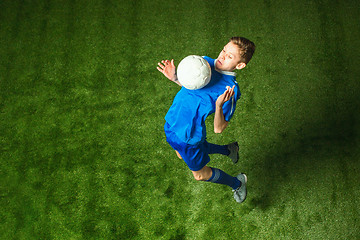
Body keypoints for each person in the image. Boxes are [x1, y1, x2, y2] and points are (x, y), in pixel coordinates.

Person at [157, 37, 255, 203]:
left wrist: (218, 106)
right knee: (180, 155)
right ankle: (229, 150)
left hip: (189, 136)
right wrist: (175, 78)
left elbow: (219, 128)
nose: (222, 56)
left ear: (240, 65)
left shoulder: (230, 89)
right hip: (172, 122)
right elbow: (191, 87)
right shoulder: (203, 63)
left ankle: (238, 183)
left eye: (230, 56)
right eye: (224, 50)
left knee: (200, 175)